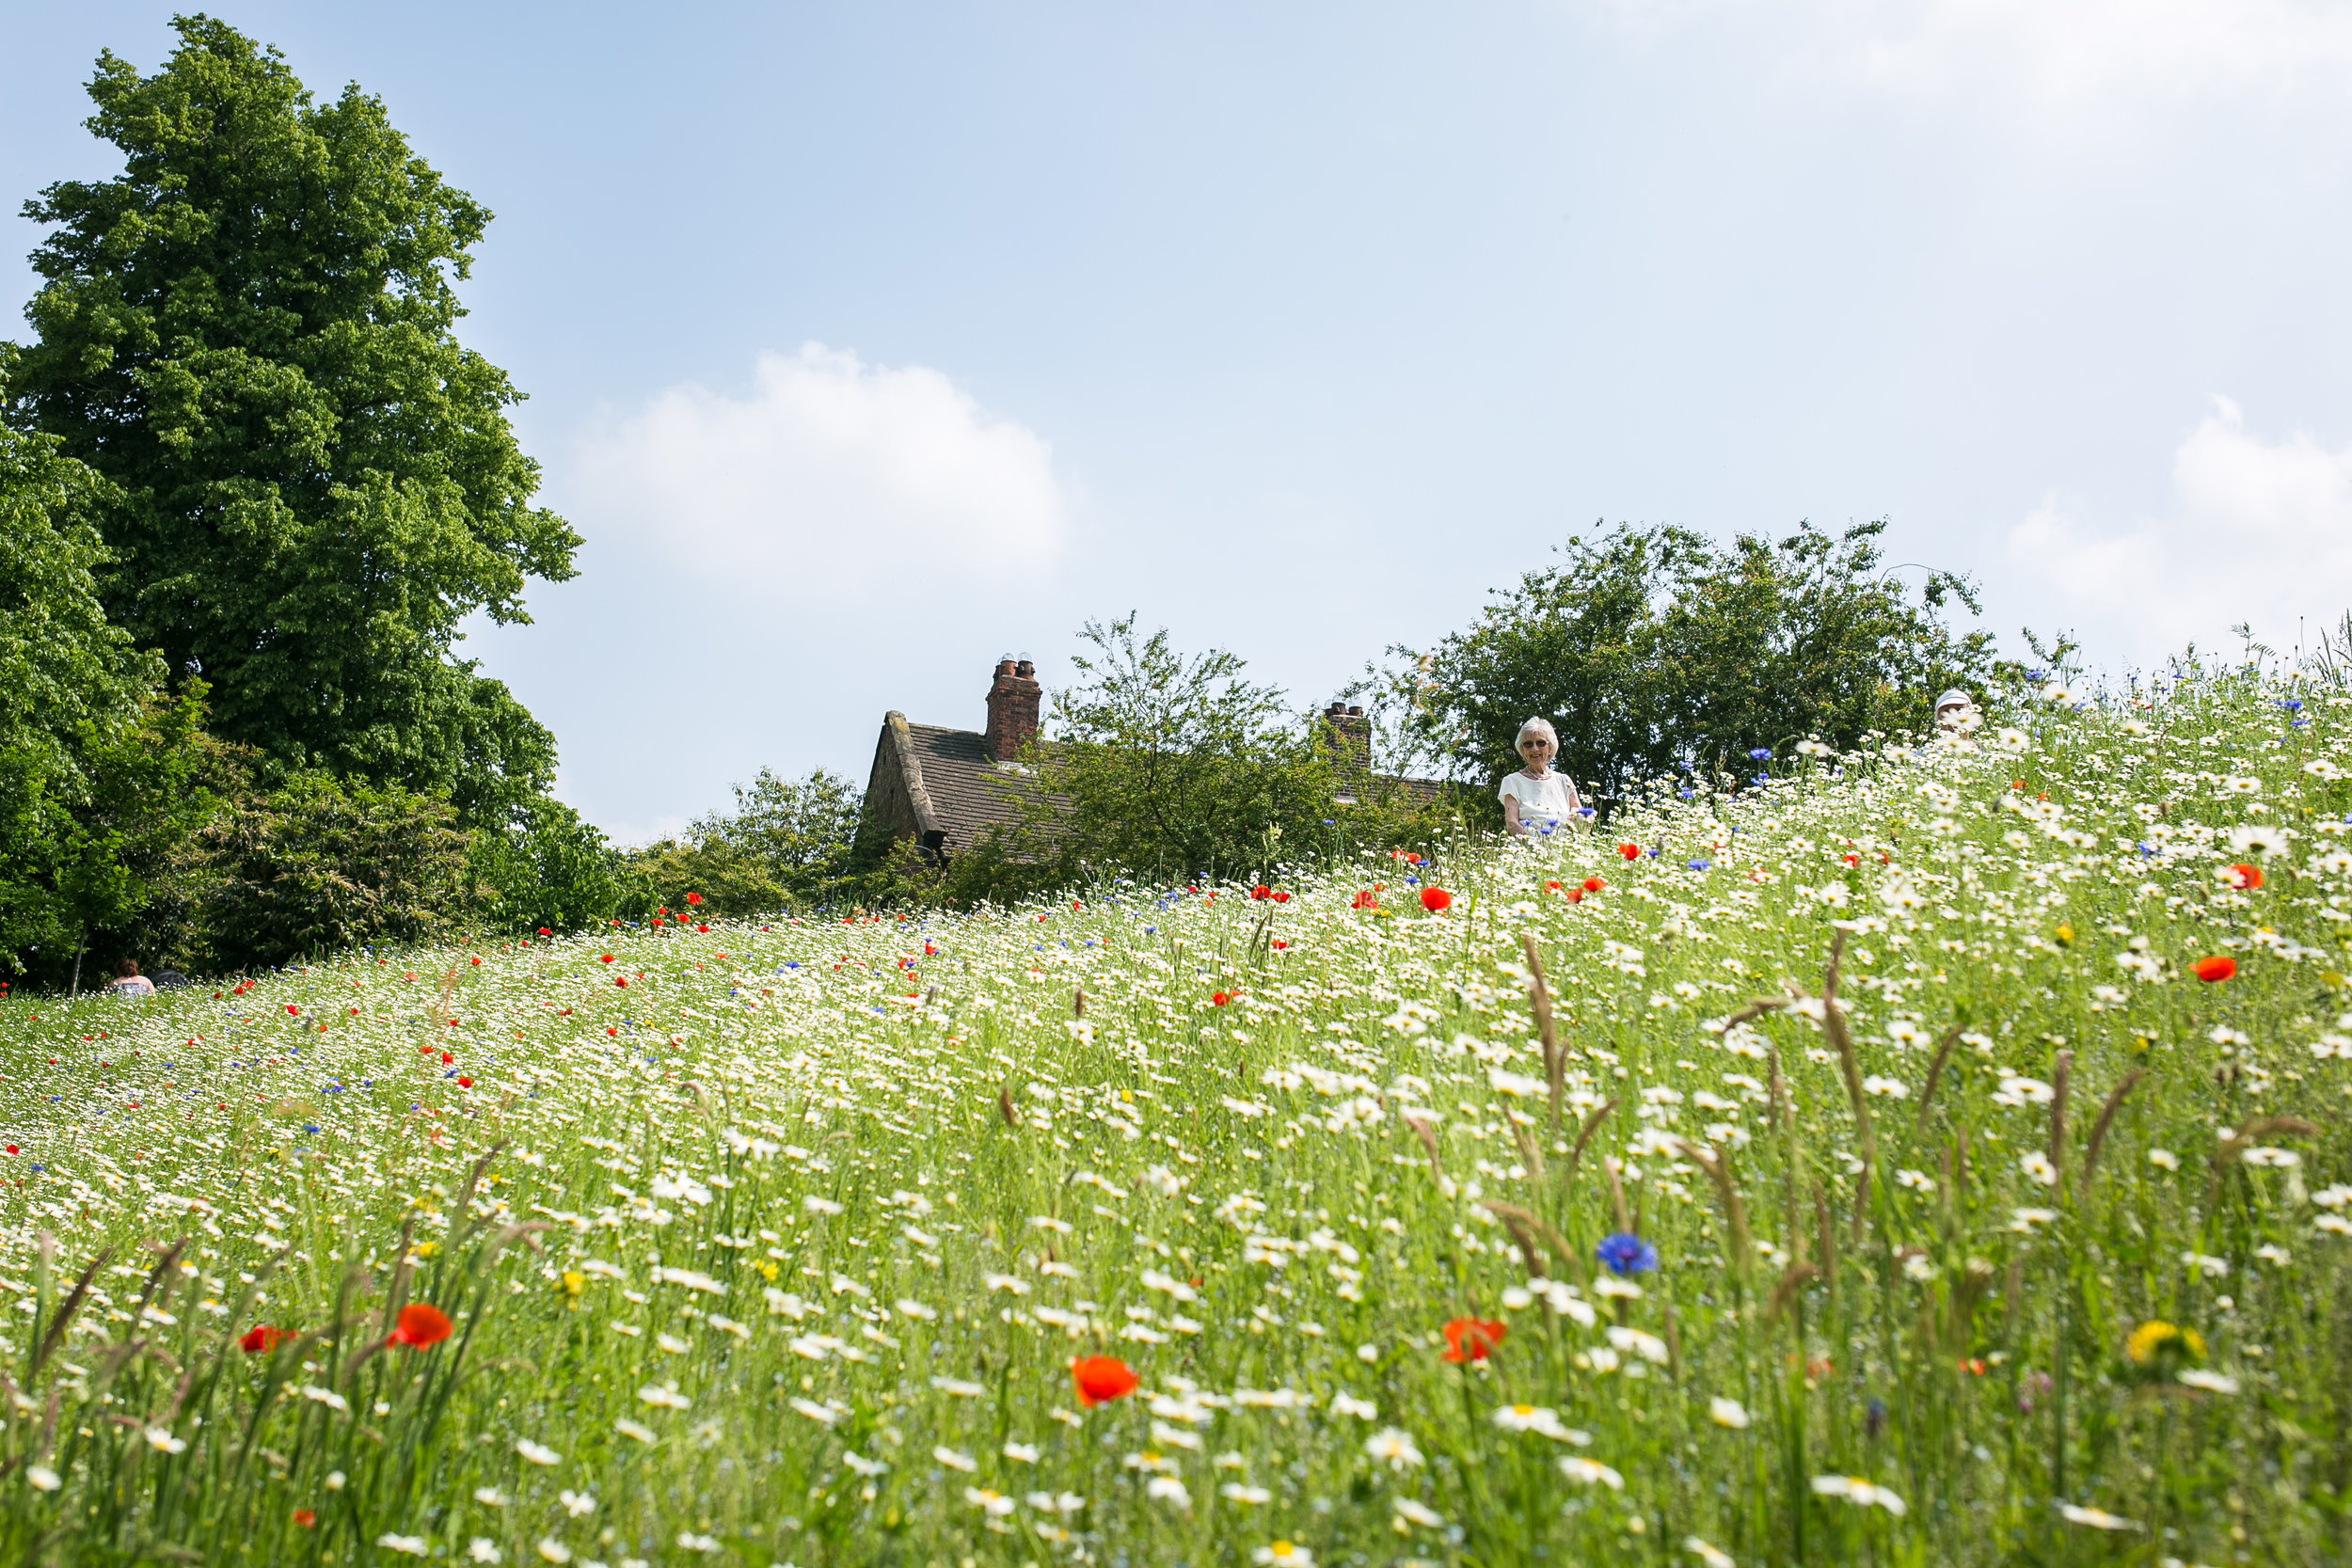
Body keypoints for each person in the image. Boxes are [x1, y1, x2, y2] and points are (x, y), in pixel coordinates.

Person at [1500, 718, 1583, 837]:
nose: (1535, 749)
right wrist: (1534, 848)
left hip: (1564, 849)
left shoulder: (1564, 781)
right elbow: (1512, 823)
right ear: (1522, 750)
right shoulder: (1512, 781)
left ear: (1550, 748)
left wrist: (1585, 819)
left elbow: (1581, 818)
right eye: (1528, 744)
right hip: (1529, 849)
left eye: (1541, 743)